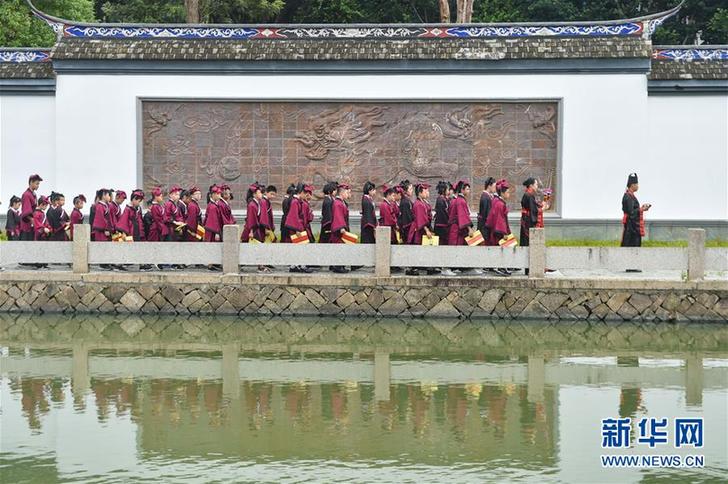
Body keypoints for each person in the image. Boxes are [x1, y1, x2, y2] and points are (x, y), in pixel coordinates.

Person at [621, 173, 651, 272]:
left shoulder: (630, 196)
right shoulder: (628, 197)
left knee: (635, 244)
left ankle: (633, 265)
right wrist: (641, 209)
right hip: (631, 227)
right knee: (632, 245)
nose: (638, 186)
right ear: (632, 185)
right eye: (637, 184)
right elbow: (631, 213)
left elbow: (633, 211)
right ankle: (631, 266)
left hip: (633, 226)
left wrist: (641, 209)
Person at [407, 183, 437, 276]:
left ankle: (424, 266)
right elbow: (421, 218)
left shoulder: (423, 202)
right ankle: (413, 268)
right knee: (417, 248)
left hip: (422, 227)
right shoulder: (418, 204)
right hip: (418, 229)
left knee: (423, 247)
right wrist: (426, 230)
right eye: (426, 191)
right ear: (420, 193)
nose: (428, 192)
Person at [283, 183, 314, 273]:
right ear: (301, 192)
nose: (307, 195)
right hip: (296, 229)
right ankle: (295, 266)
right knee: (298, 248)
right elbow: (294, 216)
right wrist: (297, 229)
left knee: (300, 247)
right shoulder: (295, 202)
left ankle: (299, 265)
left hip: (299, 227)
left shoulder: (297, 201)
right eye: (305, 193)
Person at [241, 183, 271, 273]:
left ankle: (261, 265)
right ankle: (260, 266)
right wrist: (250, 231)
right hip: (253, 229)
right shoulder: (252, 205)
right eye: (259, 193)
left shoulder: (258, 203)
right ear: (254, 194)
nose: (261, 194)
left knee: (258, 247)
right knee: (255, 247)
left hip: (258, 228)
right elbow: (251, 219)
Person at [485, 179, 512, 277]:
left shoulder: (497, 201)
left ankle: (501, 267)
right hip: (498, 232)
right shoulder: (499, 204)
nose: (509, 194)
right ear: (503, 193)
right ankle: (500, 267)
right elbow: (499, 220)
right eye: (508, 192)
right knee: (500, 249)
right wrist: (504, 232)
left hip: (496, 229)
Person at [330, 183, 351, 273]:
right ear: (342, 193)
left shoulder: (341, 202)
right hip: (339, 230)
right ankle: (337, 266)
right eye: (347, 192)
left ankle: (340, 265)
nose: (348, 194)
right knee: (339, 247)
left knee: (342, 247)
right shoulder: (337, 203)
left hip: (342, 228)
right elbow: (338, 216)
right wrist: (341, 227)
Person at [20, 174, 42, 241]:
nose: (38, 186)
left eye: (38, 184)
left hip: (32, 222)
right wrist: (34, 222)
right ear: (31, 182)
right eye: (37, 184)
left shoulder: (33, 194)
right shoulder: (26, 195)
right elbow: (26, 211)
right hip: (27, 224)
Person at [398, 180, 414, 245]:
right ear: (405, 191)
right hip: (407, 229)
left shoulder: (407, 200)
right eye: (410, 189)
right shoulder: (405, 202)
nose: (412, 190)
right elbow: (407, 219)